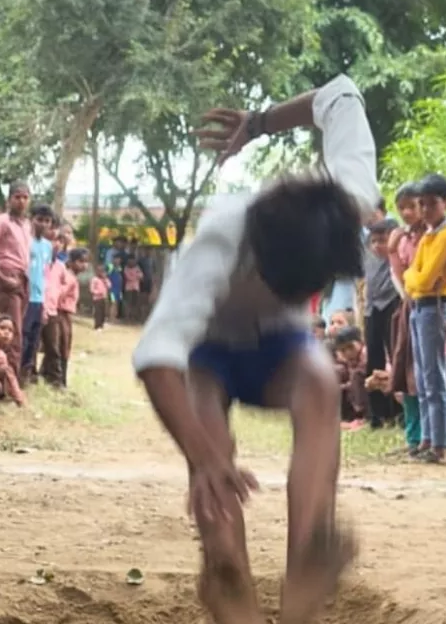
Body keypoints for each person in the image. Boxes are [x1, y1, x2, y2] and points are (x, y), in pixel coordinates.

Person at [133, 74, 376, 624]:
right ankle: (227, 570)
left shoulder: (347, 196)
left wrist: (260, 124)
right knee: (213, 462)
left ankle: (307, 568)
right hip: (208, 355)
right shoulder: (222, 238)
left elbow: (339, 93)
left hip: (283, 350)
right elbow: (156, 357)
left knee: (319, 385)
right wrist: (203, 457)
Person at [404, 173, 446, 464]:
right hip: (420, 306)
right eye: (422, 204)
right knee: (423, 375)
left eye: (432, 204)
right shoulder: (429, 235)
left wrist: (413, 279)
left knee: (435, 375)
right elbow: (410, 275)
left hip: (436, 306)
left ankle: (441, 441)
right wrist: (413, 279)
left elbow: (423, 279)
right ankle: (428, 437)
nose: (426, 210)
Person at [388, 183, 425, 455]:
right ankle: (413, 436)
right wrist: (391, 250)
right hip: (408, 307)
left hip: (428, 305)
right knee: (406, 371)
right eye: (402, 208)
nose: (408, 213)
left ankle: (434, 435)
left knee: (427, 375)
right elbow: (399, 275)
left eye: (413, 206)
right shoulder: (404, 240)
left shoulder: (433, 237)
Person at [0, 182, 34, 373]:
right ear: (9, 200)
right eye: (17, 197)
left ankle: (10, 376)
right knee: (8, 331)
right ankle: (6, 377)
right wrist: (1, 277)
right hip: (7, 277)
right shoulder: (2, 221)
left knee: (17, 330)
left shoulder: (27, 225)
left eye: (25, 197)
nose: (21, 201)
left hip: (23, 279)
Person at [362, 217, 400, 428]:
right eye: (374, 241)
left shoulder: (398, 255)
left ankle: (399, 410)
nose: (378, 246)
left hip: (392, 304)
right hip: (372, 309)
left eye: (382, 240)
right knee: (373, 358)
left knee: (396, 356)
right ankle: (377, 413)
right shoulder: (368, 257)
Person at [42, 248, 90, 387]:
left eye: (86, 262)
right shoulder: (68, 278)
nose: (84, 265)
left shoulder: (72, 277)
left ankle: (52, 377)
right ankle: (57, 379)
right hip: (61, 313)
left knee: (61, 346)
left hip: (65, 314)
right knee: (61, 346)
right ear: (71, 261)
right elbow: (59, 294)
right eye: (81, 261)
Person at [20, 206, 56, 382]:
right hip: (24, 296)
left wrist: (46, 303)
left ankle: (26, 374)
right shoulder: (25, 240)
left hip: (39, 298)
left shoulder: (48, 246)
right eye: (39, 219)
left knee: (34, 340)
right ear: (31, 218)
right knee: (22, 336)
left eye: (47, 221)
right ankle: (15, 374)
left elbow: (46, 274)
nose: (42, 224)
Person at [0, 316, 27, 406]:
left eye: (10, 330)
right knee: (6, 369)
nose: (6, 332)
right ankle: (18, 398)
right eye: (2, 328)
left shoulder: (1, 350)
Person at [333, 326, 369, 428]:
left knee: (356, 375)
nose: (347, 352)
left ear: (360, 342)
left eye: (350, 347)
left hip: (373, 393)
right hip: (356, 390)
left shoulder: (366, 353)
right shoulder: (348, 360)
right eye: (343, 350)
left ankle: (364, 416)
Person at [123, 257, 144, 322]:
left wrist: (136, 276)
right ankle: (127, 317)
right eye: (130, 261)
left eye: (133, 261)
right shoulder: (126, 268)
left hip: (136, 287)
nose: (131, 263)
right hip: (128, 288)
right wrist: (136, 276)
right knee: (128, 303)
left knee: (135, 303)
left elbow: (141, 276)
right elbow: (128, 277)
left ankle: (134, 317)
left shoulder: (137, 268)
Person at [91, 264, 110, 330]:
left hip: (104, 298)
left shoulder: (105, 279)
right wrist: (99, 292)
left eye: (103, 271)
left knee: (103, 312)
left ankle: (102, 324)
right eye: (100, 271)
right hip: (97, 298)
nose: (102, 273)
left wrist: (105, 280)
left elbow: (109, 286)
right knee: (98, 312)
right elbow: (92, 289)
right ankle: (97, 326)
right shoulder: (94, 279)